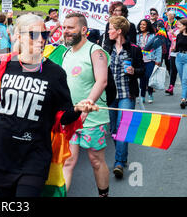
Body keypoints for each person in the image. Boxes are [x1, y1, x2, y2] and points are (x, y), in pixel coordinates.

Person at [0, 13, 98, 197]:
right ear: (19, 36)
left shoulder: (55, 73)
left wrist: (78, 108)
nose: (41, 40)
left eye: (44, 35)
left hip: (35, 157)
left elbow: (65, 115)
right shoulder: (4, 65)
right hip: (2, 155)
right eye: (34, 35)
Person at [61, 13, 110, 197]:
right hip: (71, 117)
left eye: (70, 27)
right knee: (67, 162)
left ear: (83, 30)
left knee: (96, 161)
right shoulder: (65, 53)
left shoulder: (96, 52)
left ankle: (103, 194)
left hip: (92, 118)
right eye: (64, 27)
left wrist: (88, 103)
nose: (66, 31)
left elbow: (102, 81)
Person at [105, 16, 144, 179]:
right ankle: (123, 156)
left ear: (119, 31)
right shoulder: (105, 48)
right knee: (114, 130)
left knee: (123, 129)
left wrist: (134, 71)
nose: (108, 31)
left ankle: (119, 162)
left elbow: (143, 70)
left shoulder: (134, 49)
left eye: (111, 28)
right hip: (111, 95)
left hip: (127, 94)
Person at [136, 19, 162, 104]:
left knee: (149, 77)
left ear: (147, 26)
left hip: (150, 59)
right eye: (141, 24)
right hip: (140, 60)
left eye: (144, 24)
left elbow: (158, 48)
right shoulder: (137, 35)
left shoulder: (153, 36)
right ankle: (142, 96)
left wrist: (158, 59)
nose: (142, 26)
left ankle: (150, 94)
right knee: (142, 78)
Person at [166, 15, 181, 95]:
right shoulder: (174, 30)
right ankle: (171, 87)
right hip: (173, 53)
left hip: (181, 54)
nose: (177, 23)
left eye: (179, 22)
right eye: (177, 22)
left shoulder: (183, 32)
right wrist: (170, 33)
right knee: (173, 71)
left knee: (182, 73)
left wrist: (175, 35)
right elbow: (170, 40)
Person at [175, 18, 187, 108]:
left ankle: (183, 99)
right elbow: (176, 47)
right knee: (183, 79)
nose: (178, 26)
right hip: (179, 57)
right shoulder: (179, 35)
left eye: (180, 25)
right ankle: (185, 97)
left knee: (185, 79)